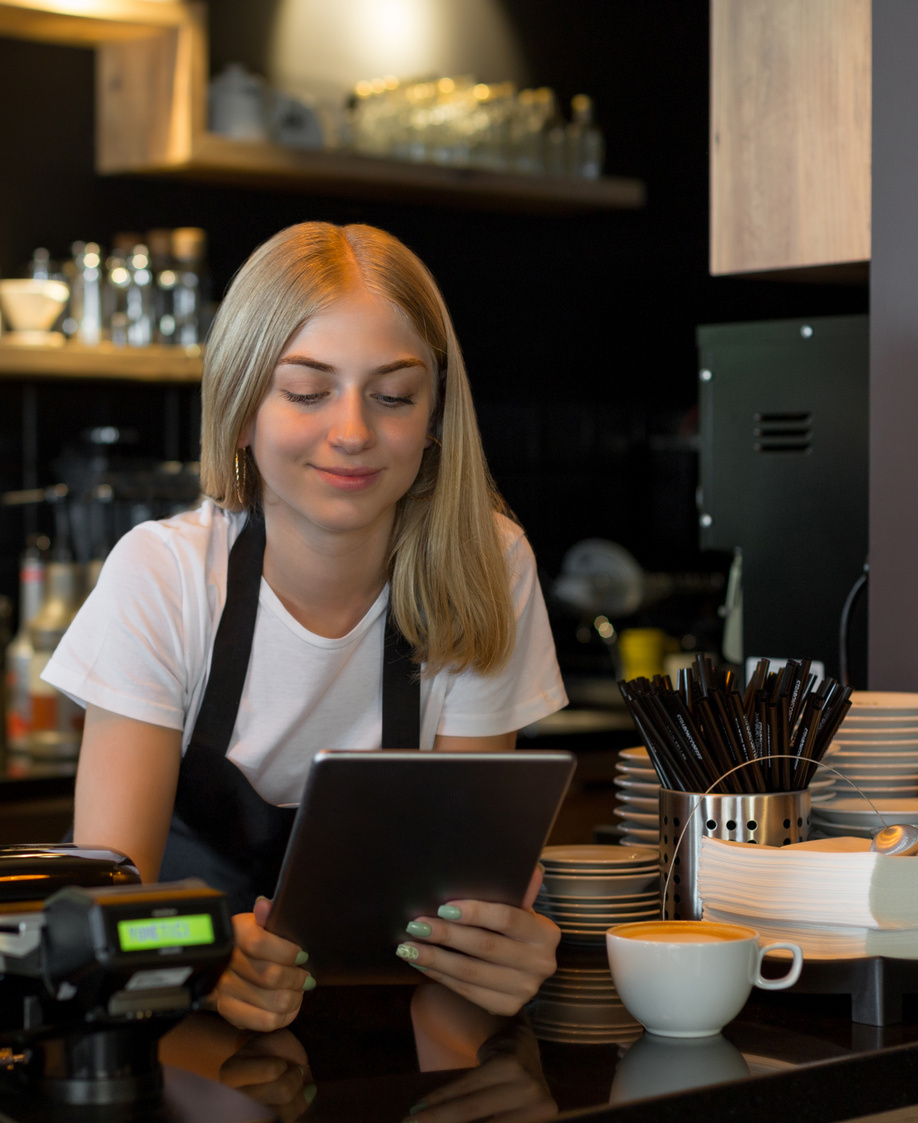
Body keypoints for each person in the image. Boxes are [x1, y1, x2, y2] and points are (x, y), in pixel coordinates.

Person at [44, 221, 568, 1033]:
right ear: (243, 407)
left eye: (393, 395)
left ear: (434, 418)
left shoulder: (488, 564)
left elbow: (460, 899)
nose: (353, 430)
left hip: (385, 1034)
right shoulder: (165, 576)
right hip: (167, 1039)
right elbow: (107, 910)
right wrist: (205, 956)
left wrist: (490, 957)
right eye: (305, 389)